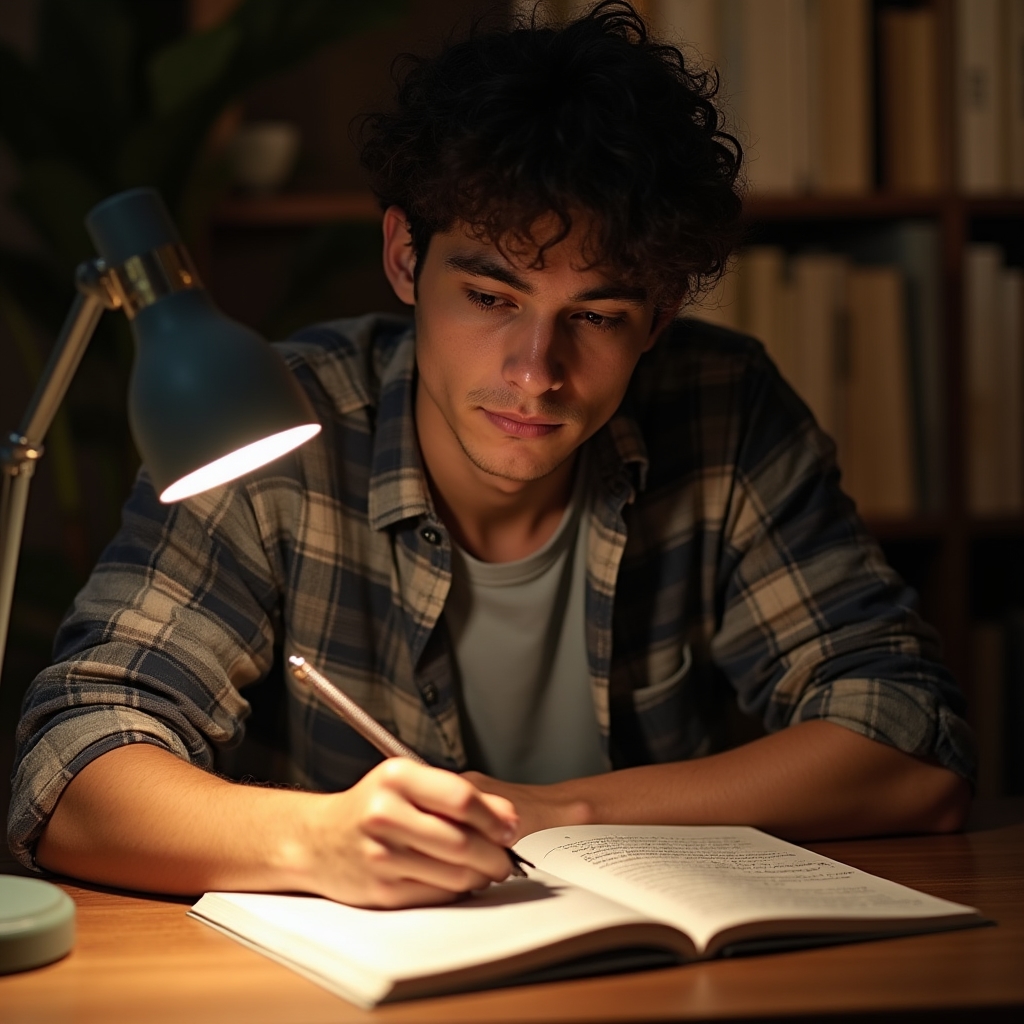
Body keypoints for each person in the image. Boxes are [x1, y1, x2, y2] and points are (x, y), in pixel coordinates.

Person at [8, 1, 972, 910]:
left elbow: (908, 740)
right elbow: (73, 766)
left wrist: (557, 813)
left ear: (660, 317)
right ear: (404, 259)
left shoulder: (724, 409)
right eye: (493, 297)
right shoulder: (274, 429)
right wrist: (320, 841)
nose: (537, 373)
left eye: (596, 316)